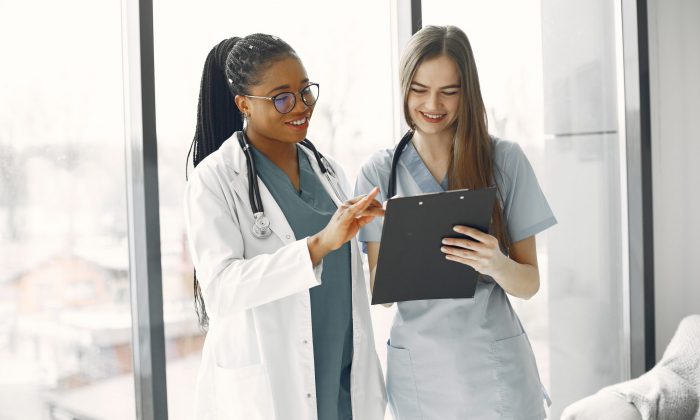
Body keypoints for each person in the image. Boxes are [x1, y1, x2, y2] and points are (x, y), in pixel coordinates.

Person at [354, 25, 557, 419]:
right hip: (421, 373)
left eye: (449, 91)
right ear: (403, 87)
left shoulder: (505, 160)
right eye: (419, 89)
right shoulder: (379, 172)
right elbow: (383, 294)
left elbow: (529, 284)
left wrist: (495, 263)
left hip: (495, 365)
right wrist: (399, 242)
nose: (433, 103)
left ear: (468, 92)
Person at [184, 34, 386, 420]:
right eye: (281, 97)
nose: (301, 107)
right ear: (244, 104)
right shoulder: (215, 180)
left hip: (342, 373)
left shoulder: (329, 172)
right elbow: (222, 290)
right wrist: (318, 245)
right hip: (275, 388)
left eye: (305, 91)